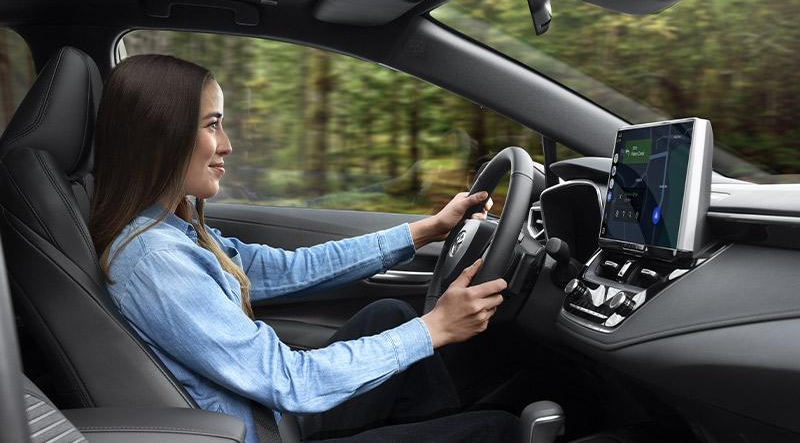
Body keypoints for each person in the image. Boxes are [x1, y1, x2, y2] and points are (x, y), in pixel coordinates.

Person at [89, 54, 520, 443]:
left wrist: (423, 231)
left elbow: (289, 269)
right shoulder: (157, 261)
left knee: (388, 315)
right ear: (162, 135)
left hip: (266, 415)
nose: (226, 144)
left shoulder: (174, 229)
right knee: (495, 429)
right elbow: (288, 380)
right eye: (211, 124)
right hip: (262, 429)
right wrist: (434, 329)